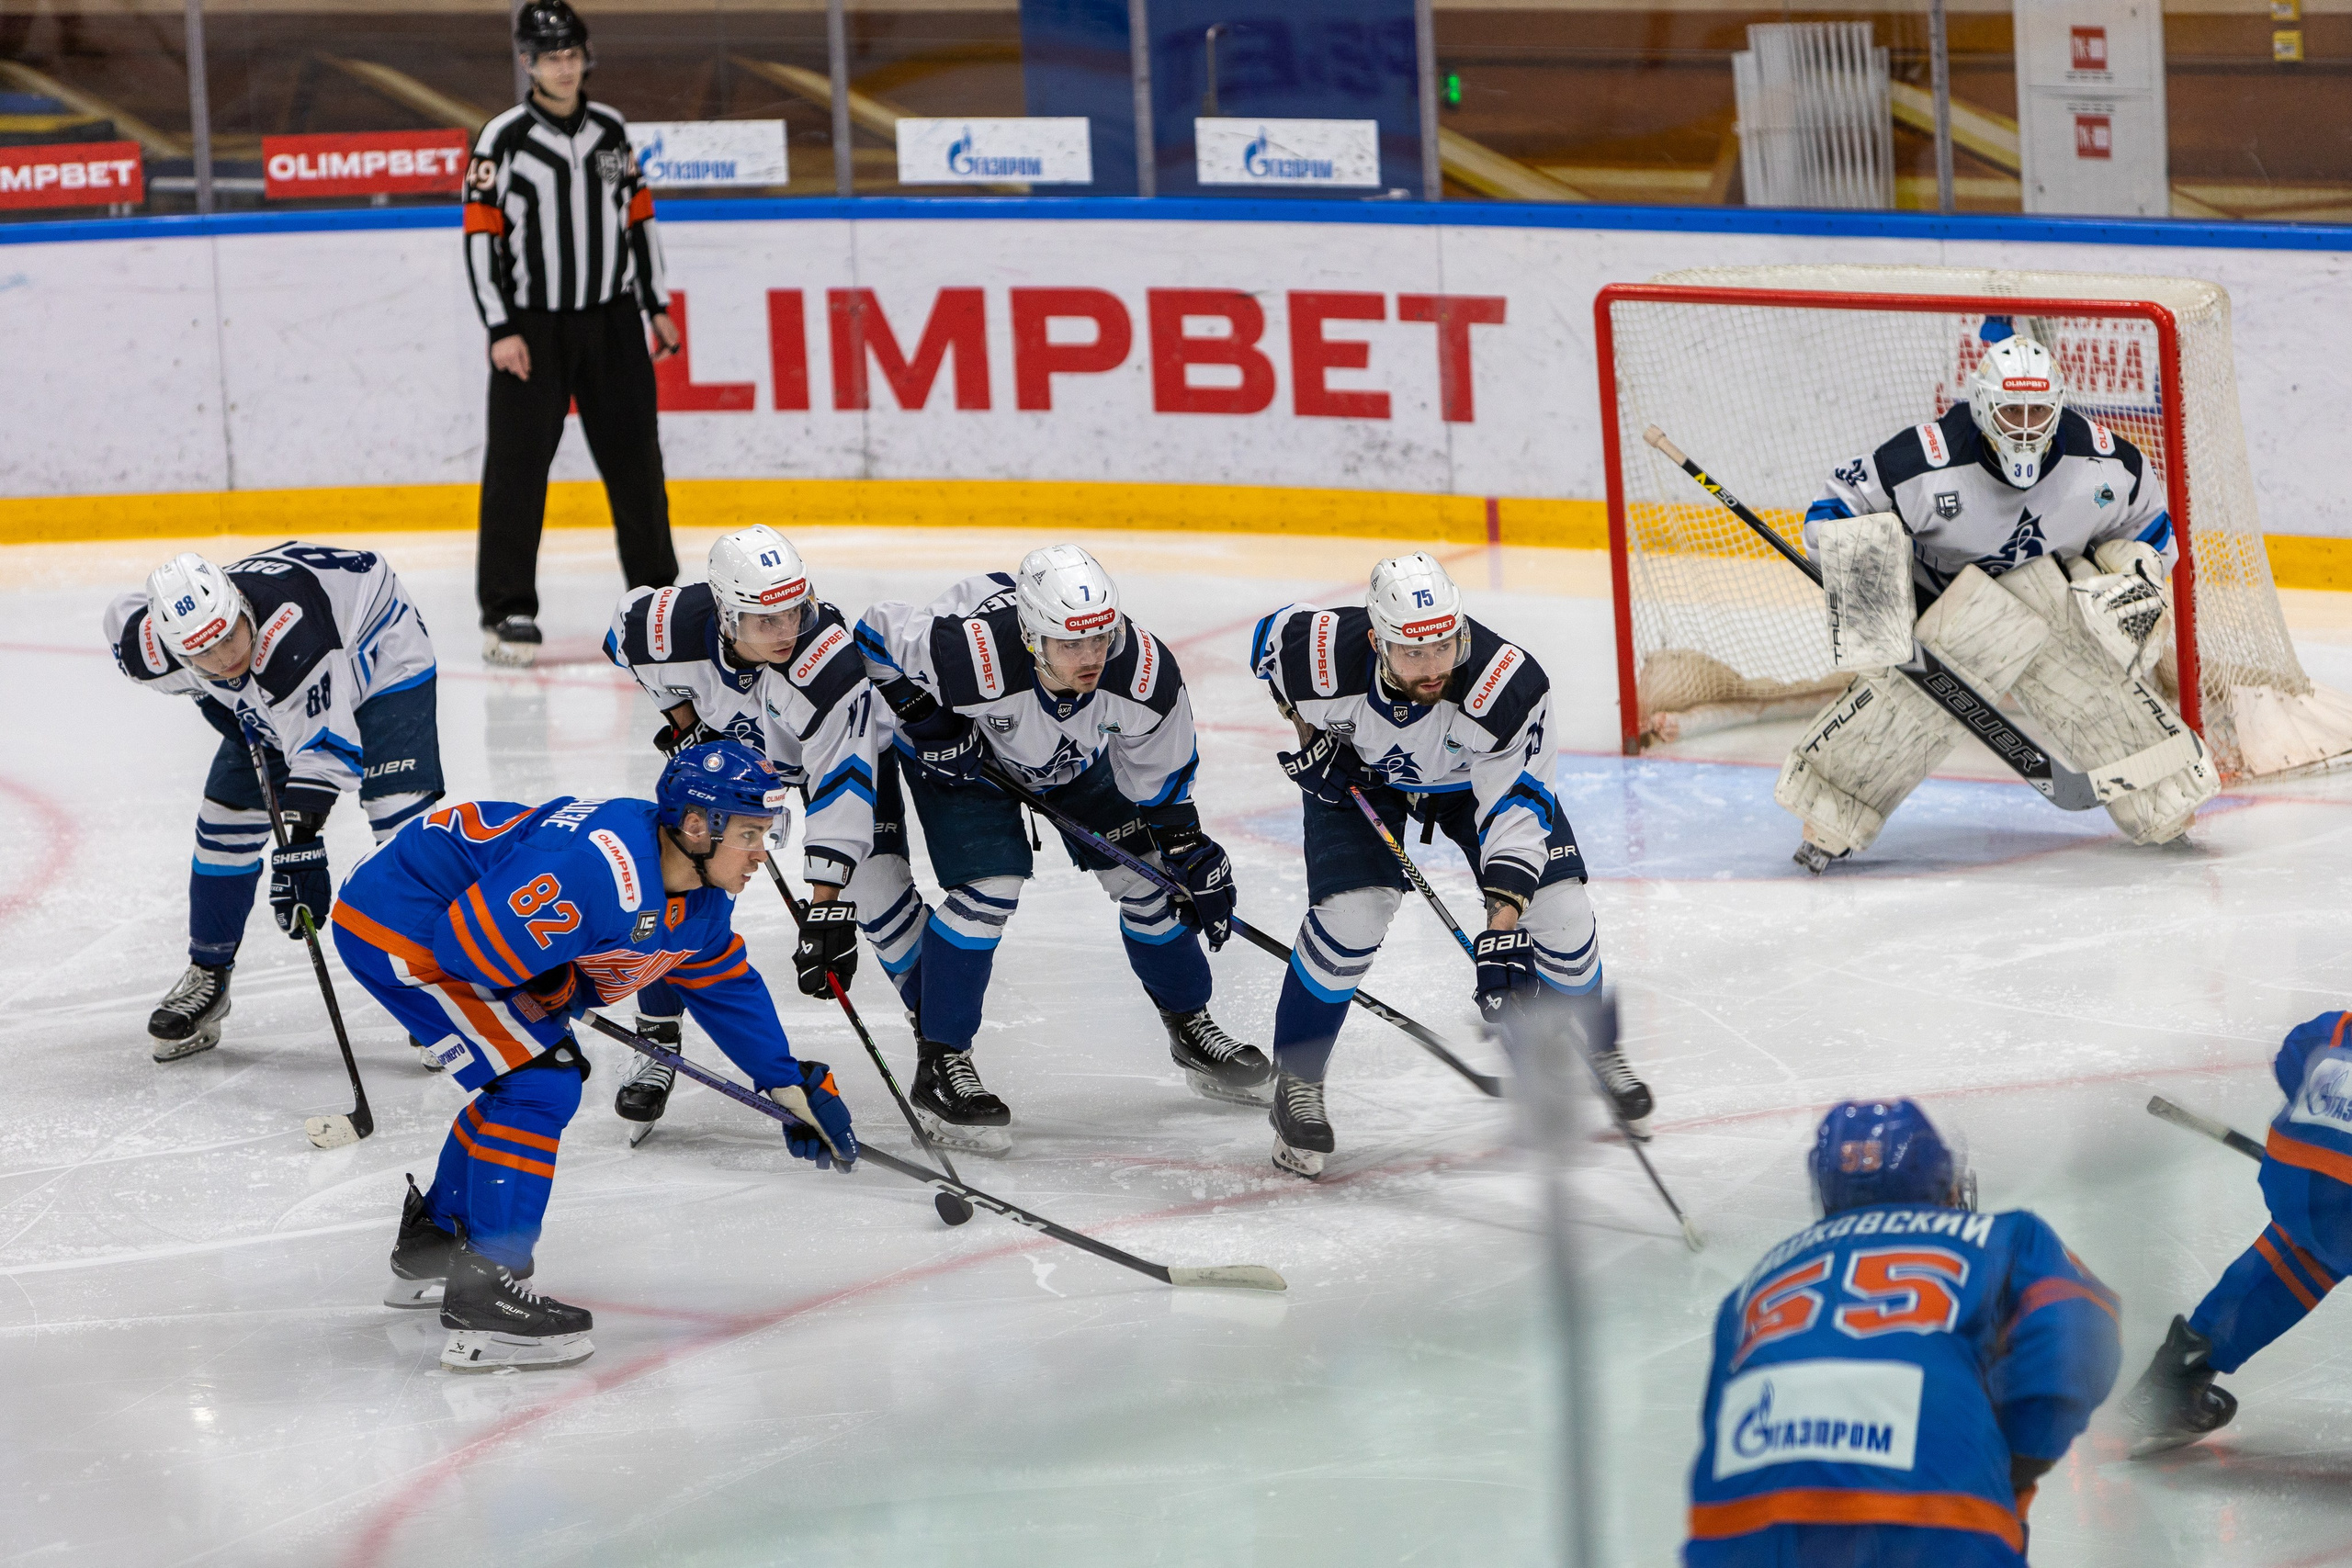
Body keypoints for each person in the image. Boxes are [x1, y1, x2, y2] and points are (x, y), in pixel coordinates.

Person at [330, 740, 856, 1371]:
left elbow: (721, 977)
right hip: (400, 918)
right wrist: (554, 985)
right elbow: (468, 949)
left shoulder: (700, 890)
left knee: (533, 1076)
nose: (761, 852)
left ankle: (435, 1242)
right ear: (696, 825)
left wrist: (785, 1082)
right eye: (749, 833)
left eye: (766, 833)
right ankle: (483, 1292)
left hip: (446, 923)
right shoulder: (597, 868)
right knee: (538, 1082)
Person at [854, 544, 1267, 1154]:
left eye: (1101, 638)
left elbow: (1163, 780)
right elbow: (874, 634)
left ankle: (1190, 1025)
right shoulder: (973, 654)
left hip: (1071, 761)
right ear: (1031, 635)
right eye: (1072, 644)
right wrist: (933, 724)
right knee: (987, 892)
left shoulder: (1143, 672)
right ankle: (941, 1061)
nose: (1092, 656)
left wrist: (1186, 845)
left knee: (1153, 880)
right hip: (965, 764)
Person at [1247, 552, 1640, 1178]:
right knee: (1354, 914)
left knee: (1559, 910)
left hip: (1471, 784)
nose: (1433, 667)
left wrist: (1501, 925)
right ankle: (1297, 1081)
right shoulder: (1319, 653)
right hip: (1362, 779)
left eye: (1445, 647)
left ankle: (1597, 1043)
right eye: (1412, 653)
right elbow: (1267, 646)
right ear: (1377, 642)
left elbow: (1515, 811)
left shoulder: (1505, 684)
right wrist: (1311, 737)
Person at [1781, 320, 2215, 873]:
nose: (2028, 429)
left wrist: (2134, 585)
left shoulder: (2107, 463)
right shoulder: (1925, 460)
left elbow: (2152, 527)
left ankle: (2166, 796)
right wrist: (1875, 605)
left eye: (2040, 414)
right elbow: (1832, 512)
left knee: (2083, 673)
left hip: (2049, 598)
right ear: (1984, 408)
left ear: (2059, 407)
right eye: (2014, 412)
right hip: (1941, 611)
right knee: (1914, 700)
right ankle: (1830, 812)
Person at [1687, 1099, 2120, 1567]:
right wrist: (2017, 1459)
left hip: (1737, 1519)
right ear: (1938, 1178)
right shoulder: (2005, 1235)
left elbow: (1717, 1413)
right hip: (1931, 1507)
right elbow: (2077, 1340)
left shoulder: (1755, 1282)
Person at [600, 525, 889, 1137]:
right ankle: (656, 1036)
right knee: (674, 887)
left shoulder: (828, 666)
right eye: (767, 620)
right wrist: (683, 723)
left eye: (796, 611)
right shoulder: (670, 627)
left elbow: (844, 781)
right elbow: (623, 633)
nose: (788, 630)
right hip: (721, 770)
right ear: (727, 616)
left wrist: (824, 908)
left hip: (804, 763)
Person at [103, 545, 441, 1064]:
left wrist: (301, 846)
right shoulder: (149, 650)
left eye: (228, 637)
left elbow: (326, 750)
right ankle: (208, 972)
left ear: (239, 605)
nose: (223, 659)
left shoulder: (292, 635)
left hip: (379, 651)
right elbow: (119, 615)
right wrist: (211, 697)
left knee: (400, 820)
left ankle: (440, 984)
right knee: (223, 825)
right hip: (277, 685)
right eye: (202, 656)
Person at [465, 0, 680, 668]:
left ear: (586, 58)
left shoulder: (613, 132)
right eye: (550, 56)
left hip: (612, 321)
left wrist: (657, 305)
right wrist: (501, 326)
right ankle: (508, 608)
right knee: (517, 469)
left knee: (636, 462)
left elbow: (637, 221)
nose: (563, 67)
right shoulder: (500, 139)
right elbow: (479, 240)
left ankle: (658, 601)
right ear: (528, 62)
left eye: (572, 55)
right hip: (532, 329)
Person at [2125, 1009, 2352, 1455]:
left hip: (2290, 1170)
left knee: (2300, 1257)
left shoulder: (2338, 1026)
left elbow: (2292, 1059)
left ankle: (2174, 1381)